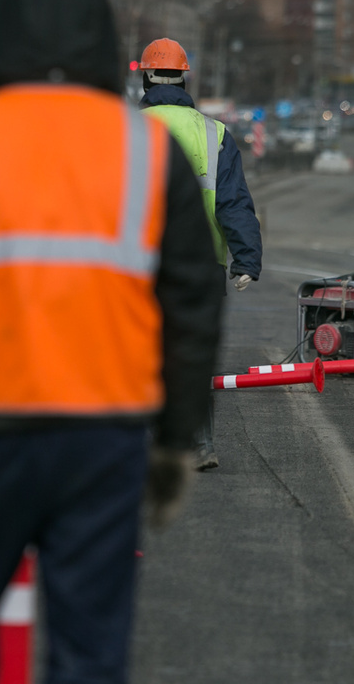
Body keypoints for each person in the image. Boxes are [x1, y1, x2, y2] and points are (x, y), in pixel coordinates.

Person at [0, 0, 223, 684]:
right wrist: (174, 439)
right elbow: (191, 306)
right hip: (104, 439)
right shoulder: (146, 150)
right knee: (90, 654)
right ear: (103, 41)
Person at [137, 37, 262, 471]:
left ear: (145, 75)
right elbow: (233, 202)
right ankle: (199, 445)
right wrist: (246, 259)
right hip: (201, 263)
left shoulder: (123, 130)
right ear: (184, 75)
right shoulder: (213, 133)